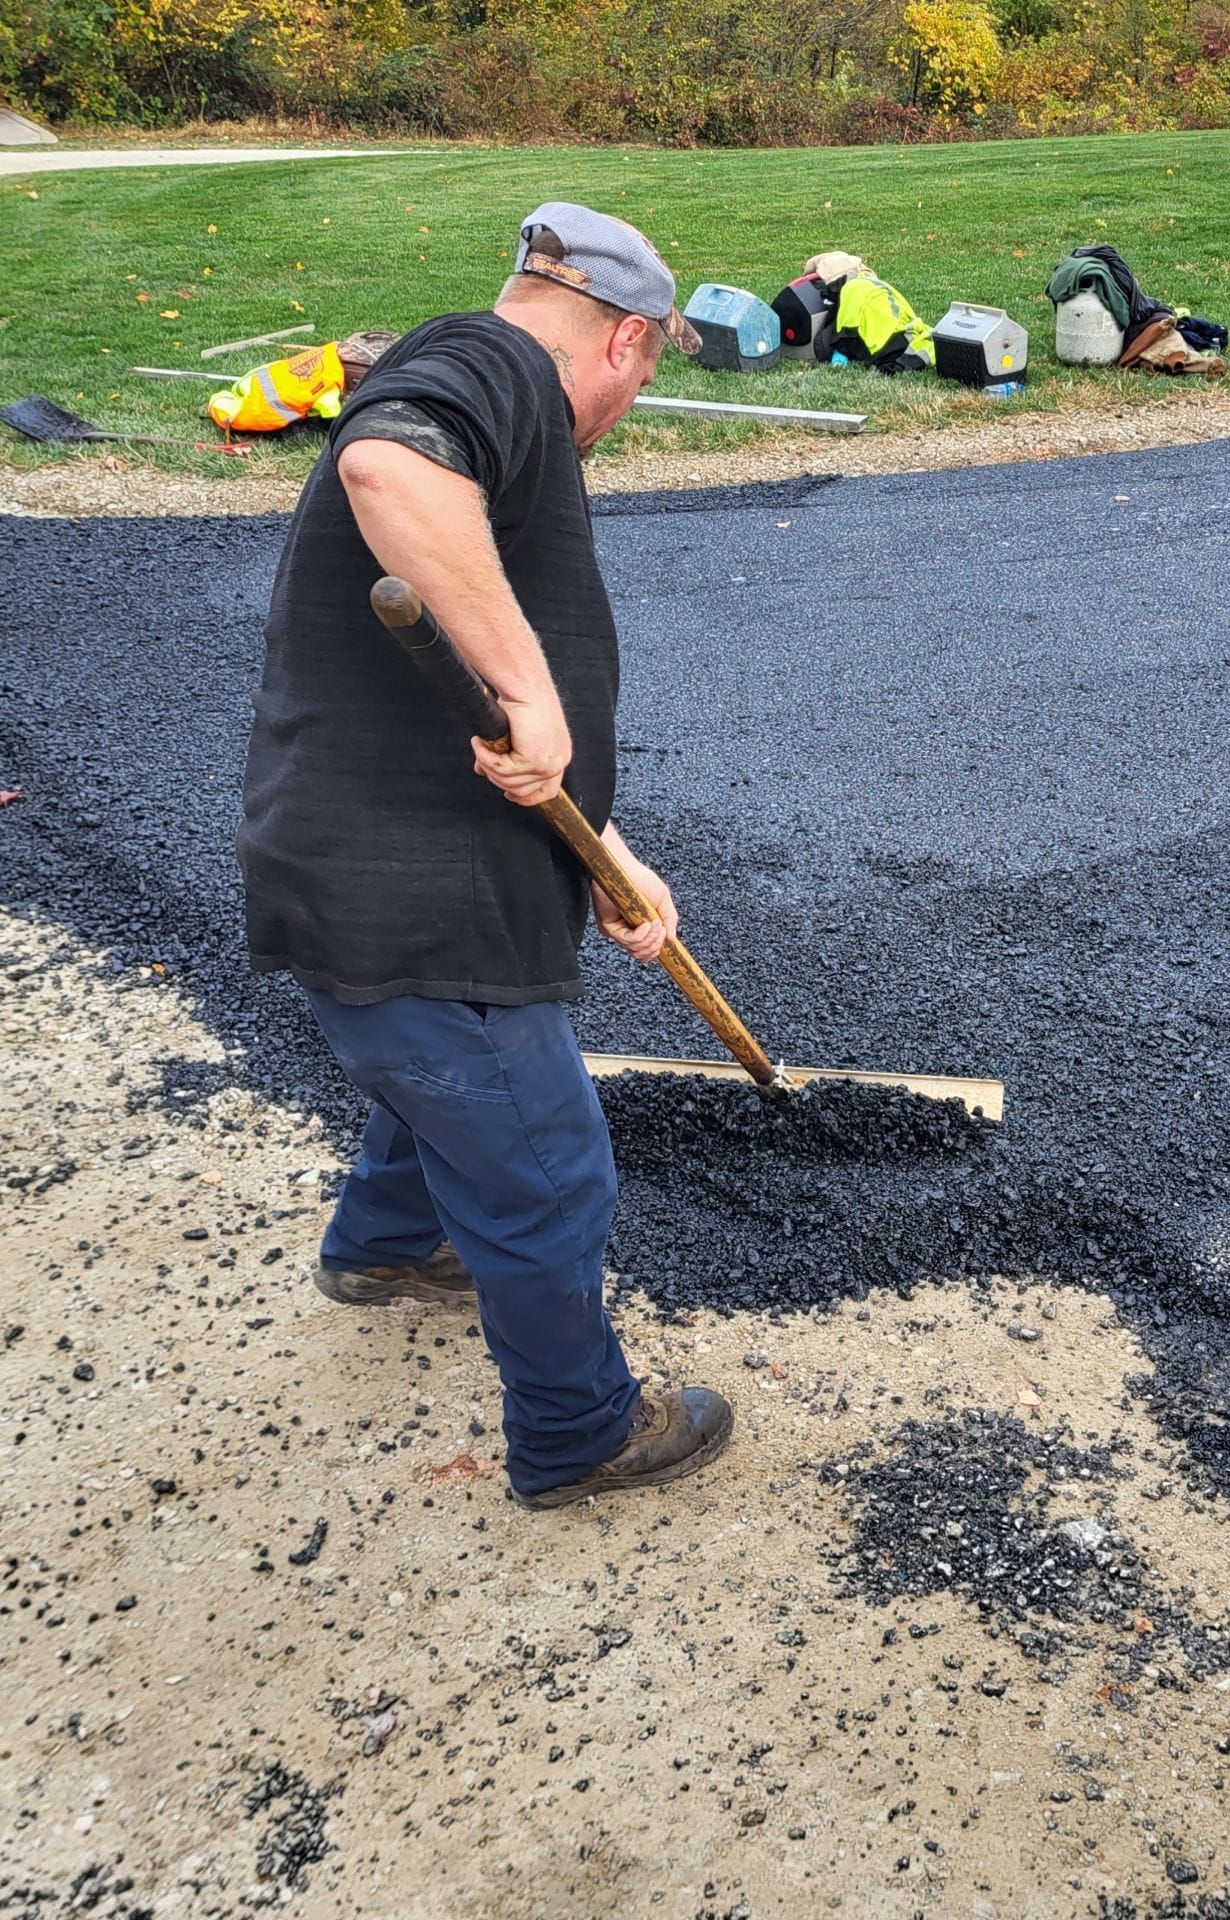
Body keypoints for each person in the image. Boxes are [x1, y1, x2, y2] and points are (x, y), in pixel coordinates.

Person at [237, 203, 736, 1509]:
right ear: (626, 340)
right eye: (648, 370)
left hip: (368, 882)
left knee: (438, 1079)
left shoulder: (495, 416)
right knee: (546, 1153)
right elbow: (389, 470)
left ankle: (387, 1250)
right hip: (408, 898)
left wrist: (609, 857)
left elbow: (502, 728)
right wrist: (531, 684)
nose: (630, 403)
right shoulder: (497, 367)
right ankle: (580, 1431)